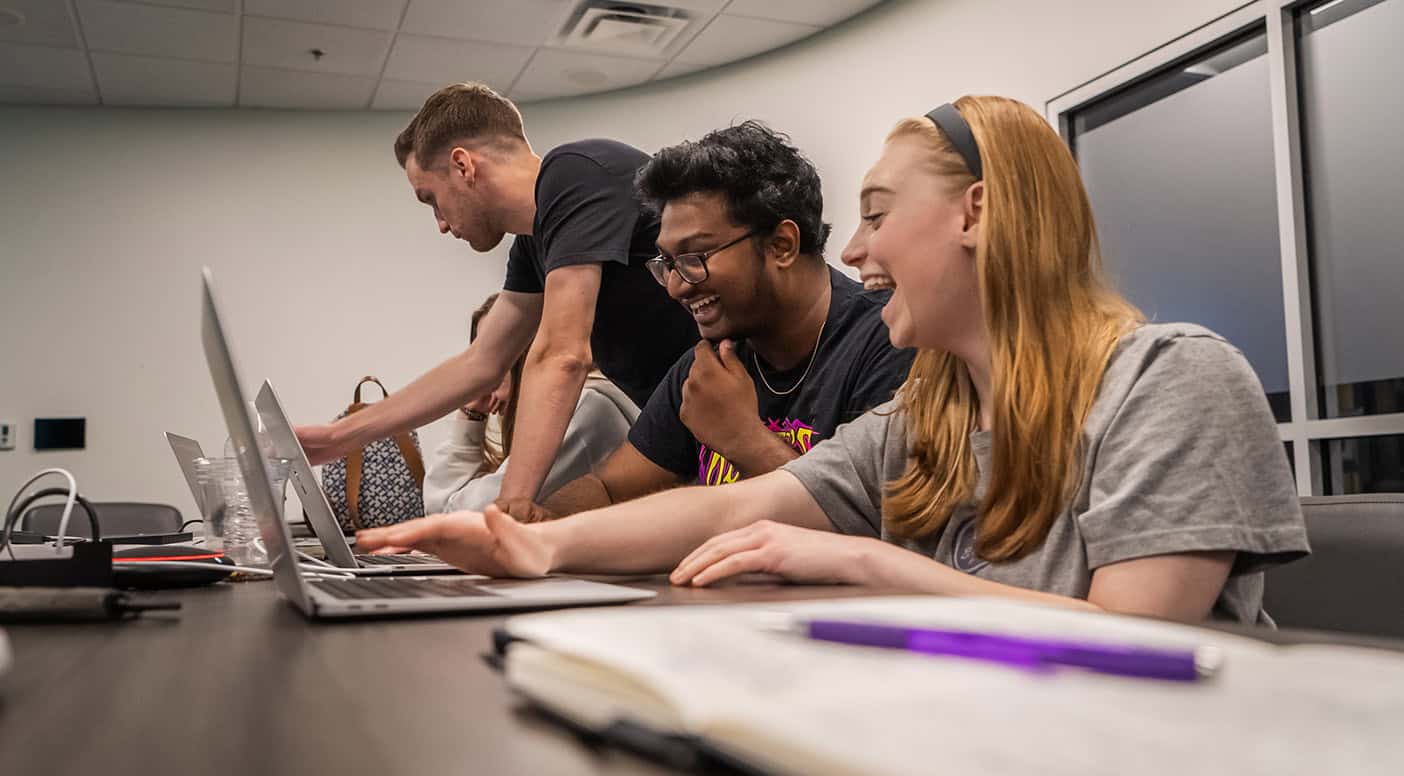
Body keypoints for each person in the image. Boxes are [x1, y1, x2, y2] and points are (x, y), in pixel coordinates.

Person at [356, 96, 1310, 625]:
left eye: (879, 216)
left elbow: (1133, 644)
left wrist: (865, 562)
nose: (854, 252)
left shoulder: (1175, 378)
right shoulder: (929, 409)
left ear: (977, 214)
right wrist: (537, 541)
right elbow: (736, 503)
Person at [296, 83, 699, 505]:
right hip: (689, 437)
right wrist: (339, 437)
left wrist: (508, 514)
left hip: (747, 423)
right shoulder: (533, 242)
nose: (441, 224)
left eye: (431, 199)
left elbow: (562, 356)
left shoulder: (574, 174)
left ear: (462, 166)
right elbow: (481, 362)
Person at [511, 121, 914, 520]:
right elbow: (609, 488)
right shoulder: (706, 366)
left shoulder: (890, 342)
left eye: (694, 258)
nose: (675, 287)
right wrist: (532, 530)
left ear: (782, 245)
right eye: (666, 263)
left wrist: (743, 438)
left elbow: (877, 528)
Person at [422, 294, 638, 514]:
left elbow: (469, 516)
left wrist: (469, 417)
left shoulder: (583, 407)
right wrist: (472, 411)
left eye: (497, 354)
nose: (485, 375)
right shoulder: (584, 401)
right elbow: (443, 510)